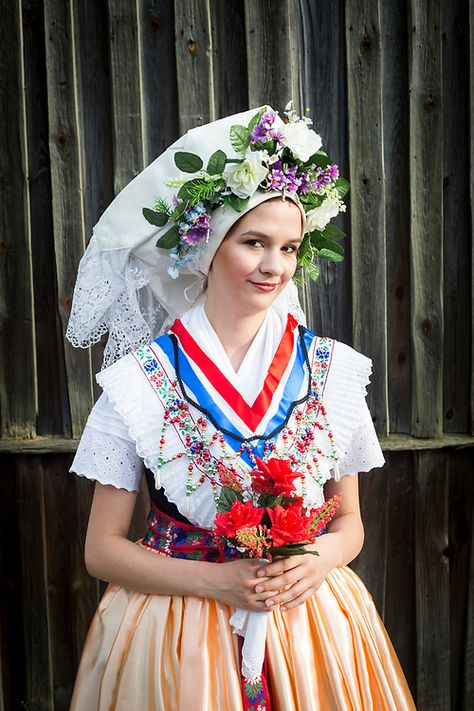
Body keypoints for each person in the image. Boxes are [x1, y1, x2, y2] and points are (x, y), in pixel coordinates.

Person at [66, 104, 416, 710]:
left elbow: (349, 522)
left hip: (309, 624)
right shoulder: (141, 384)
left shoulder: (329, 371)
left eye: (289, 247)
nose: (274, 266)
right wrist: (218, 582)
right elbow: (101, 551)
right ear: (207, 244)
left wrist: (318, 560)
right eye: (254, 242)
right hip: (181, 632)